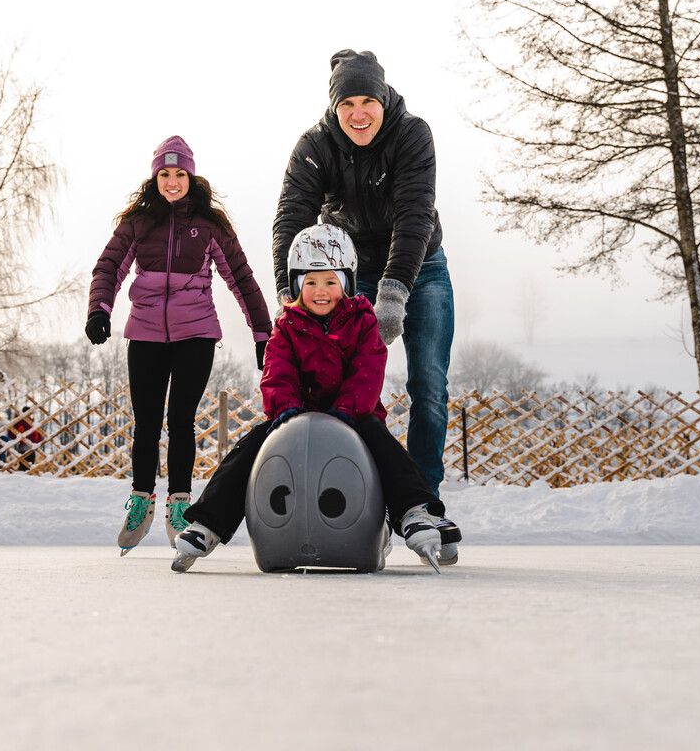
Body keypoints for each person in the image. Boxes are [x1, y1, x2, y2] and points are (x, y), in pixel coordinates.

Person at [271, 49, 461, 565]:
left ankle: (423, 504)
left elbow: (415, 216)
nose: (359, 114)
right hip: (348, 271)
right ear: (335, 108)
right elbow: (291, 217)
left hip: (421, 266)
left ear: (383, 99)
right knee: (346, 388)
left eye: (368, 102)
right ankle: (365, 500)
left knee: (429, 385)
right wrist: (291, 297)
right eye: (348, 104)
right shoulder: (314, 147)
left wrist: (395, 291)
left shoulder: (412, 134)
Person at [171, 224, 451, 573]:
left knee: (384, 446)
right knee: (250, 447)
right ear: (296, 285)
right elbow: (277, 373)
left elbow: (368, 372)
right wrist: (286, 409)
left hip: (355, 416)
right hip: (296, 415)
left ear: (346, 283)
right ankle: (207, 523)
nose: (321, 291)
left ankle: (414, 511)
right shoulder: (286, 326)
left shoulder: (363, 323)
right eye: (311, 282)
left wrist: (346, 413)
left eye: (330, 282)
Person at [86, 135, 273, 555]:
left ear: (192, 176)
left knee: (182, 420)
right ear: (155, 178)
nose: (173, 181)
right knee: (146, 422)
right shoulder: (137, 222)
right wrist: (100, 308)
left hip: (197, 334)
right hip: (146, 333)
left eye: (180, 174)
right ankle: (141, 500)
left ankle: (179, 505)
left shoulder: (210, 226)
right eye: (165, 174)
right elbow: (110, 265)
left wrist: (263, 334)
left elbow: (242, 279)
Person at [4, 405, 43, 473]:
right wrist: (20, 439)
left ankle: (26, 477)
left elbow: (36, 433)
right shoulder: (21, 421)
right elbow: (14, 432)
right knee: (25, 465)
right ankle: (24, 477)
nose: (30, 414)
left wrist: (37, 440)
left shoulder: (29, 422)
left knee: (29, 465)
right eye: (29, 412)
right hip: (24, 446)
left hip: (31, 446)